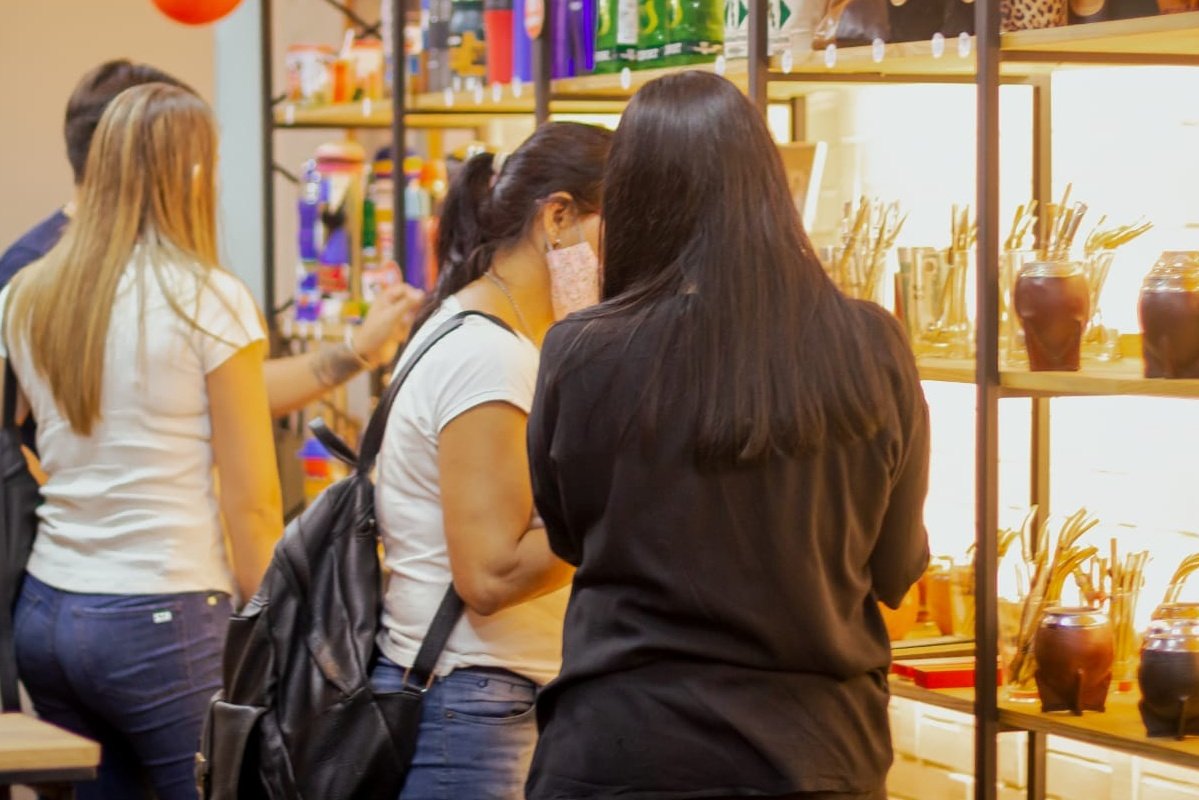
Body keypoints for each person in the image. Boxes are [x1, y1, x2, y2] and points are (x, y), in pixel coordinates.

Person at [524, 72, 931, 800]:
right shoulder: (870, 345)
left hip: (619, 751)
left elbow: (567, 535)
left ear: (632, 200)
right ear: (769, 188)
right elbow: (895, 569)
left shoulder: (581, 351)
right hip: (815, 755)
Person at [2, 84, 282, 800]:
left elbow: (28, 436)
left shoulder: (30, 294)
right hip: (163, 613)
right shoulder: (208, 298)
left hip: (49, 611)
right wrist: (277, 631)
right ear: (190, 174)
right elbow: (250, 504)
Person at [370, 122, 612, 800]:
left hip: (477, 697)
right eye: (616, 228)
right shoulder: (489, 356)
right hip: (472, 706)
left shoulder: (476, 327)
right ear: (557, 218)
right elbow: (489, 573)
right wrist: (622, 515)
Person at [0, 59, 422, 418]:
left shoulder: (159, 271)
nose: (205, 179)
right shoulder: (35, 272)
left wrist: (357, 350)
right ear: (127, 148)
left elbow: (225, 391)